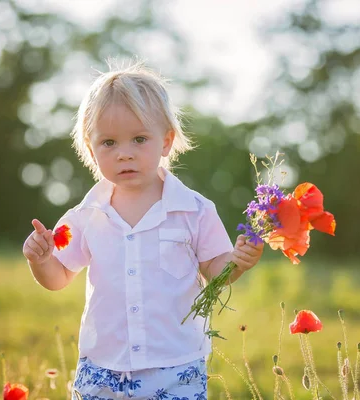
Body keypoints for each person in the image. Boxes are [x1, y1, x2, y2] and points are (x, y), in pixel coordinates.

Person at [22, 62, 264, 400]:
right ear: (91, 151)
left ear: (165, 142)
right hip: (102, 367)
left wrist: (237, 261)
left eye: (139, 139)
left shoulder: (194, 210)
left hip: (176, 367)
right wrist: (41, 259)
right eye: (108, 143)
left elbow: (215, 272)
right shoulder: (84, 215)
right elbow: (58, 276)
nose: (124, 153)